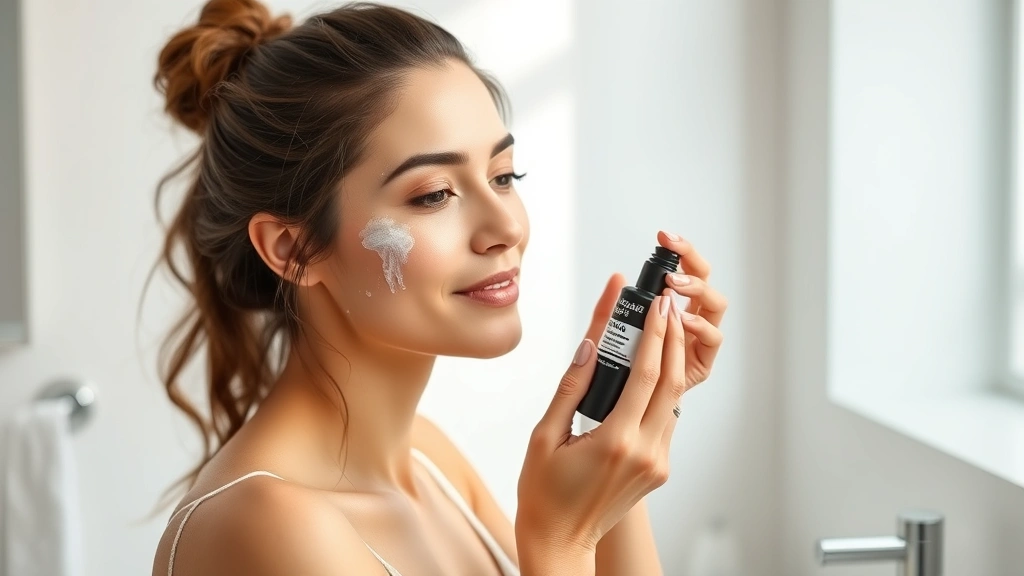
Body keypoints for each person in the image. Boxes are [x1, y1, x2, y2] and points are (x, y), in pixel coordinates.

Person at [147, 1, 728, 575]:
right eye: (433, 195)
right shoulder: (265, 526)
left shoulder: (428, 461)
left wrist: (616, 425)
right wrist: (559, 540)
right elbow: (562, 552)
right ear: (291, 249)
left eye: (503, 177)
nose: (506, 228)